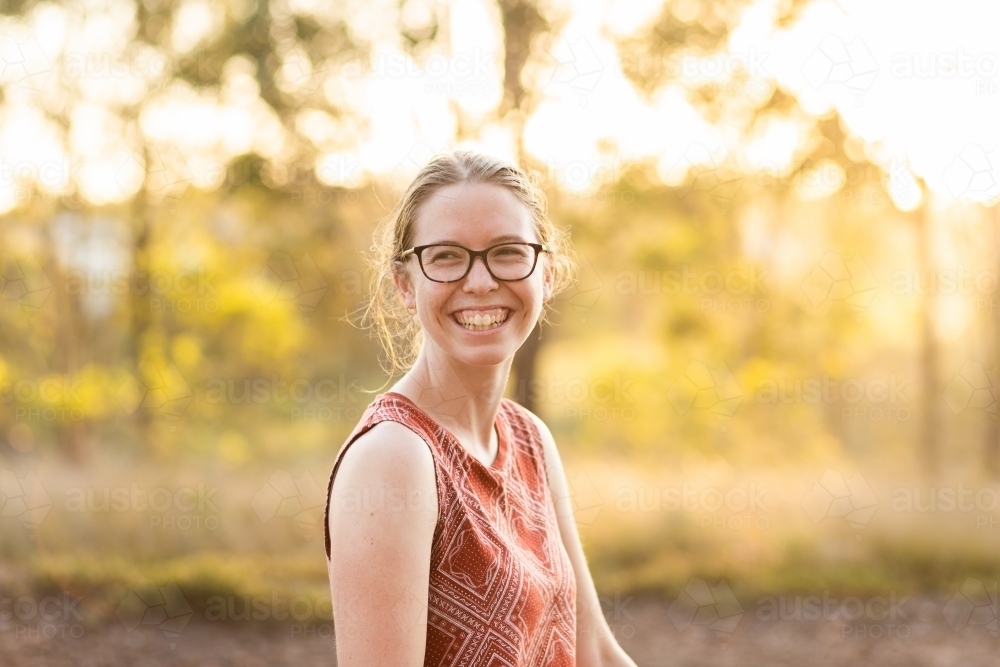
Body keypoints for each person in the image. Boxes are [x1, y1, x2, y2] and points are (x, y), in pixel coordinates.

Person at [324, 151, 638, 666]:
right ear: (406, 284)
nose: (480, 282)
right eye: (447, 256)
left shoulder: (529, 437)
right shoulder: (394, 459)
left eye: (508, 252)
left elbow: (595, 653)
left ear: (547, 274)